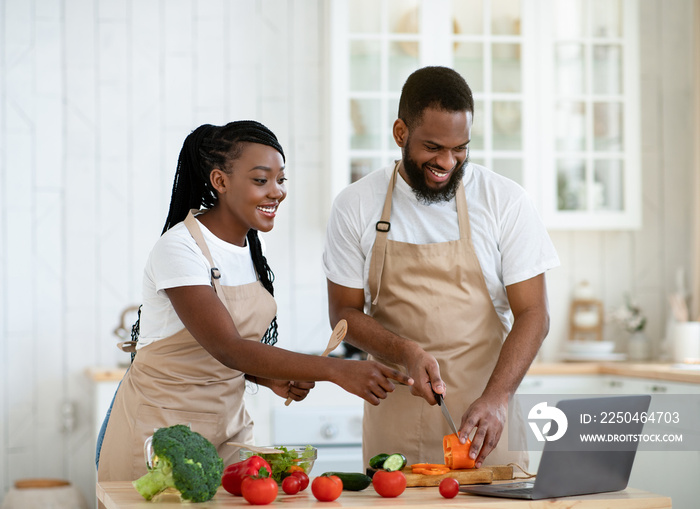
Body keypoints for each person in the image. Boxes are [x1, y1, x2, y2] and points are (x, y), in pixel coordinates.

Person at [97, 120, 412, 481]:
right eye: (261, 180)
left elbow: (226, 353)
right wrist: (336, 370)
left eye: (281, 180)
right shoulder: (179, 248)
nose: (276, 191)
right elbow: (226, 346)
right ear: (220, 181)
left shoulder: (248, 249)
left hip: (228, 432)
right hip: (158, 436)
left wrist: (266, 377)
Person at [323, 67, 560, 469]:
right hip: (393, 427)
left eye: (460, 148)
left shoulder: (505, 201)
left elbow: (534, 314)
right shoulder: (356, 204)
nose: (447, 162)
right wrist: (404, 350)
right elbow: (343, 314)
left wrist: (498, 397)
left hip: (485, 427)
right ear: (401, 133)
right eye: (433, 147)